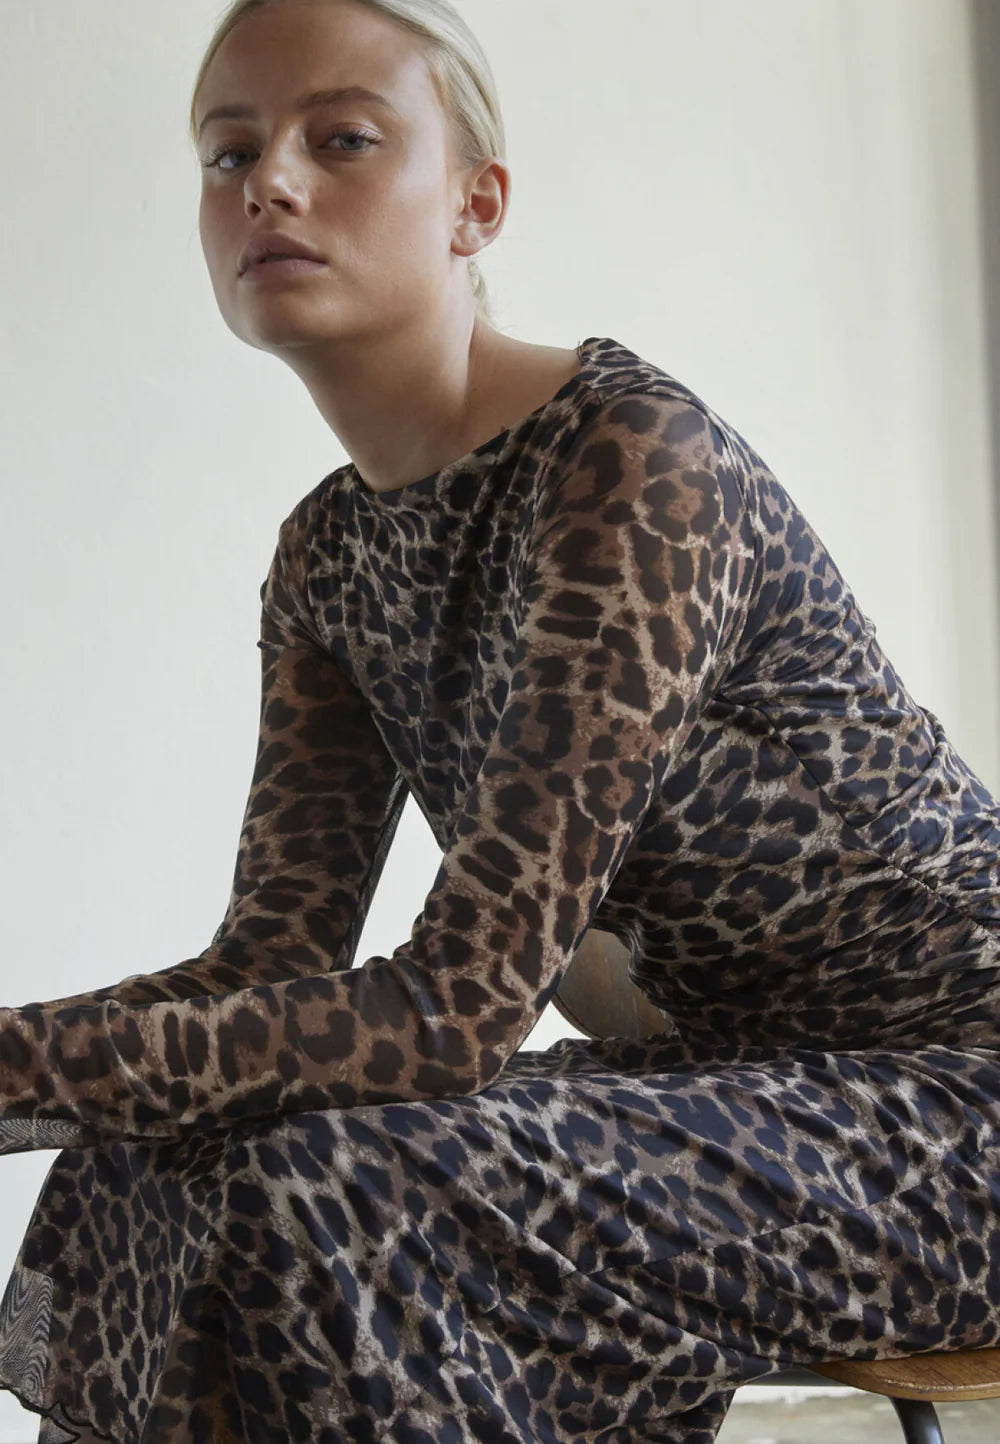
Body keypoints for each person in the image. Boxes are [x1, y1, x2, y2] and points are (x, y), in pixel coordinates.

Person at [2, 1, 1000, 1441]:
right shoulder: (327, 558)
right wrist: (42, 1067)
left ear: (477, 205)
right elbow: (271, 964)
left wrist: (17, 1065)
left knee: (322, 1185)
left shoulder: (632, 464)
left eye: (342, 139)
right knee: (149, 1149)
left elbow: (455, 1015)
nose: (268, 182)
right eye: (228, 154)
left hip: (959, 1099)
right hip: (734, 1087)